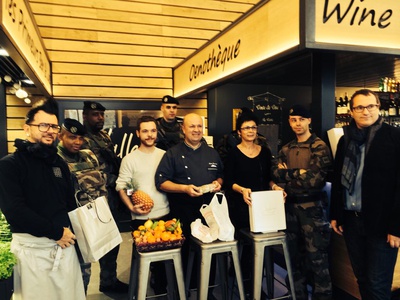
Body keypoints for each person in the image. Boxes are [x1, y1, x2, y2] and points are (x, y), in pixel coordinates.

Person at [0, 99, 85, 300]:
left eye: (54, 126)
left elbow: (68, 203)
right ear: (27, 129)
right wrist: (55, 232)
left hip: (64, 247)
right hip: (32, 252)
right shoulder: (9, 165)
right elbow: (15, 211)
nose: (50, 131)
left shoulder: (59, 164)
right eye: (43, 125)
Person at [330, 89, 400, 300]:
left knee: (378, 285)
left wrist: (397, 227)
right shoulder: (346, 139)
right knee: (361, 279)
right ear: (352, 111)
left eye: (370, 106)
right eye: (360, 107)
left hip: (382, 223)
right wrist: (336, 214)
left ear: (378, 107)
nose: (366, 111)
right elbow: (338, 180)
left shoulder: (394, 137)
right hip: (352, 221)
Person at [155, 113, 223, 293]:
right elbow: (161, 182)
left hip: (208, 211)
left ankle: (207, 290)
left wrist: (218, 183)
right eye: (192, 126)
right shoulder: (173, 153)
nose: (196, 130)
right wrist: (184, 188)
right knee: (184, 252)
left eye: (199, 126)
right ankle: (183, 290)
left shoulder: (212, 152)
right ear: (183, 129)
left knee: (209, 251)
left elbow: (220, 175)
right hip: (182, 211)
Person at [271, 104, 333, 300]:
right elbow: (276, 174)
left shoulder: (319, 146)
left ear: (309, 121)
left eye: (301, 119)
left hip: (313, 211)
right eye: (293, 120)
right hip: (290, 211)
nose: (297, 123)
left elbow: (314, 180)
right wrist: (297, 174)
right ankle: (297, 296)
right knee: (294, 259)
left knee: (317, 260)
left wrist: (287, 173)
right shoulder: (286, 148)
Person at [223, 108, 284, 297]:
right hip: (241, 205)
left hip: (262, 207)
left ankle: (256, 283)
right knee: (247, 247)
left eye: (253, 127)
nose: (250, 131)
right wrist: (241, 190)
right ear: (239, 132)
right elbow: (228, 180)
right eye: (246, 128)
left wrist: (275, 187)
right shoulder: (233, 153)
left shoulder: (265, 152)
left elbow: (268, 178)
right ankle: (248, 288)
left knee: (260, 247)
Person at [116, 115, 170, 295]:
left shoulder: (165, 156)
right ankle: (139, 292)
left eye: (153, 131)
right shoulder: (129, 159)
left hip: (165, 215)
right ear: (138, 133)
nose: (149, 135)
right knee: (143, 261)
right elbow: (122, 187)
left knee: (164, 263)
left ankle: (161, 290)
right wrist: (132, 206)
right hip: (141, 218)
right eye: (145, 131)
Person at [81, 101, 128, 293]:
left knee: (111, 240)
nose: (100, 118)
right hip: (90, 200)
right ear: (85, 116)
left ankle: (108, 280)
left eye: (101, 114)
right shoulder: (80, 138)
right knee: (89, 246)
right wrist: (112, 178)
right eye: (95, 115)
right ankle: (82, 289)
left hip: (109, 197)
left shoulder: (103, 137)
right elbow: (87, 172)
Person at [57, 118, 108, 294]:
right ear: (60, 136)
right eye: (72, 137)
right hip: (65, 226)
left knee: (85, 270)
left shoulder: (89, 155)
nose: (77, 142)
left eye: (80, 138)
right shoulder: (54, 160)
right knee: (65, 272)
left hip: (89, 220)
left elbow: (102, 185)